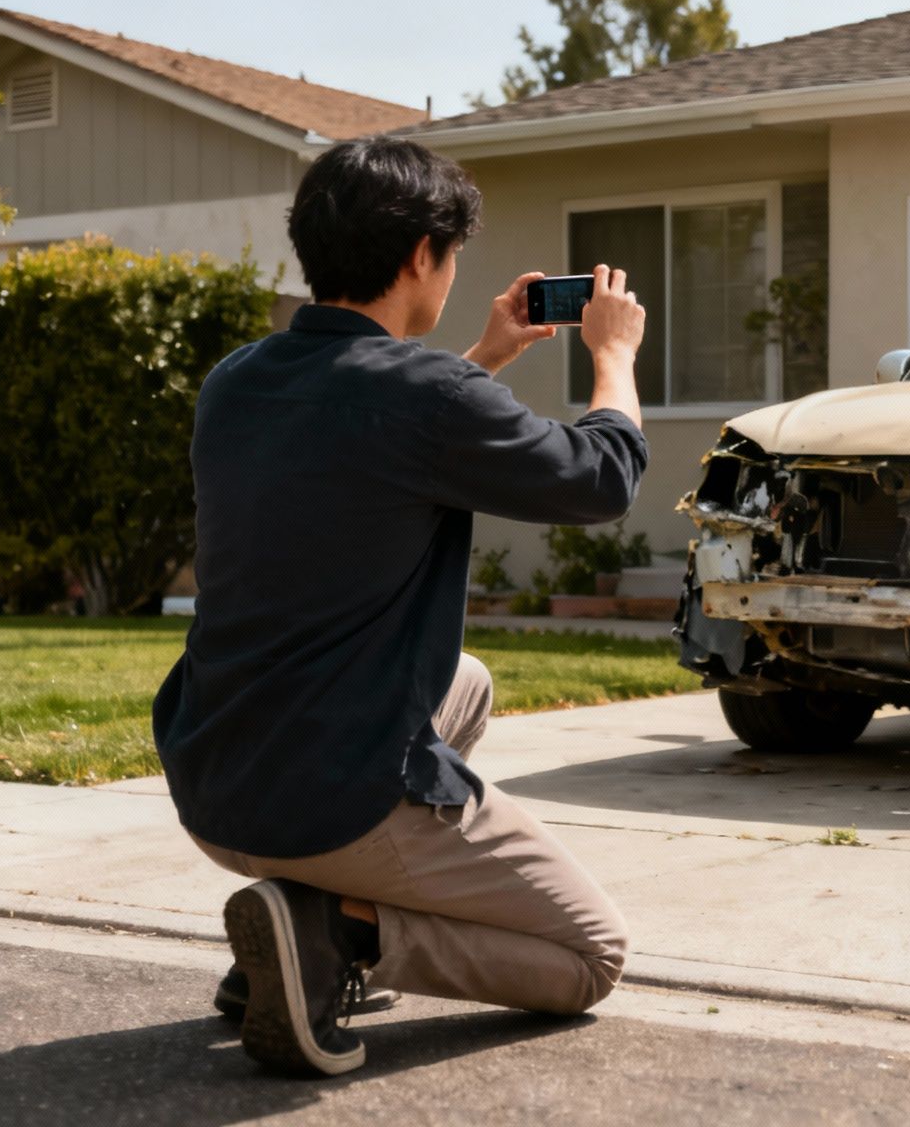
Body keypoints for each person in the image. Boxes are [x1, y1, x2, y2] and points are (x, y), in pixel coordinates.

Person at [151, 136, 648, 1077]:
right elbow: (601, 478)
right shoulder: (429, 397)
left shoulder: (236, 382)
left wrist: (487, 356)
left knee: (467, 684)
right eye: (450, 257)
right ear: (422, 254)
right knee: (591, 956)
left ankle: (290, 942)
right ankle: (333, 930)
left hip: (215, 778)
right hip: (330, 796)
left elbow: (378, 433)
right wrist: (612, 357)